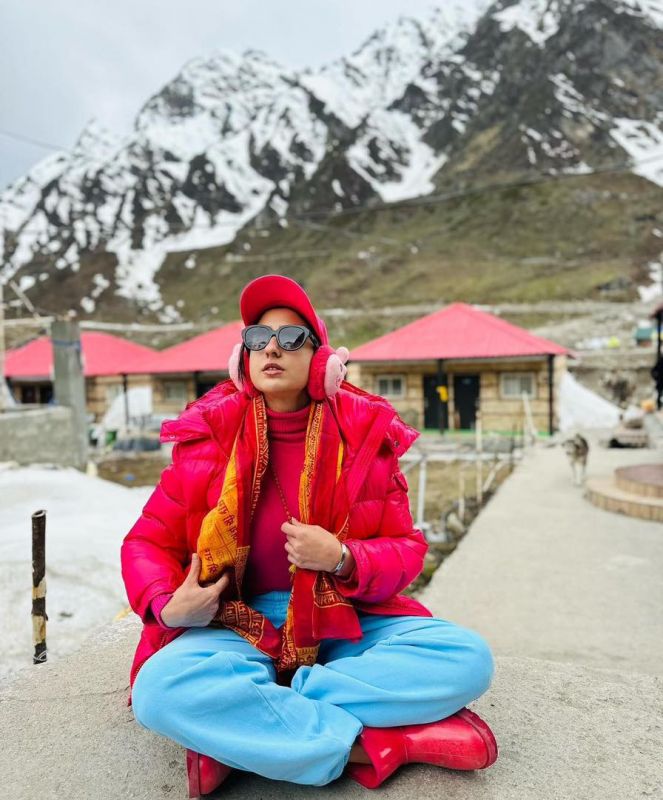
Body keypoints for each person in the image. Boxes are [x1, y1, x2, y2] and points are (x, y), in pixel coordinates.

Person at [121, 274, 497, 797]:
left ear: (323, 361)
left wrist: (343, 557)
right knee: (159, 693)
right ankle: (381, 744)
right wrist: (169, 606)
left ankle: (251, 726)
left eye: (292, 338)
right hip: (235, 620)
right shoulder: (206, 436)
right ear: (243, 358)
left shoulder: (365, 438)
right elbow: (145, 542)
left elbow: (407, 550)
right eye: (257, 338)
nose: (271, 347)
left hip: (342, 618)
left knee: (468, 659)